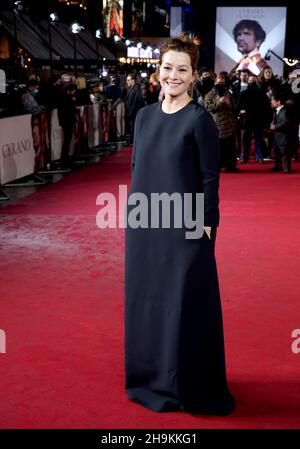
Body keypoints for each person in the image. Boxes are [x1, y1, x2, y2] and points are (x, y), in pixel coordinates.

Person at [124, 35, 235, 415]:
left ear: (193, 76)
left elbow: (209, 178)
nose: (173, 75)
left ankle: (183, 380)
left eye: (182, 69)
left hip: (185, 228)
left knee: (182, 305)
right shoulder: (144, 117)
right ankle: (149, 376)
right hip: (145, 225)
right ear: (158, 70)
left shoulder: (199, 120)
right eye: (168, 67)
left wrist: (207, 225)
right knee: (147, 303)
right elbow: (138, 168)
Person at [270, 92, 292, 173]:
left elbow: (286, 123)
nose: (271, 102)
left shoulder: (285, 111)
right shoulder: (275, 111)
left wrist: (275, 126)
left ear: (278, 101)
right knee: (276, 151)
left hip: (283, 135)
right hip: (277, 135)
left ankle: (287, 168)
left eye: (272, 100)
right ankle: (277, 166)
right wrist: (272, 125)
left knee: (284, 152)